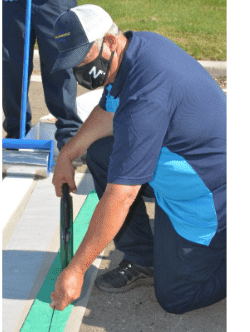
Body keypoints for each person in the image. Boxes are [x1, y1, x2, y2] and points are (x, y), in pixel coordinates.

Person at [47, 4, 226, 314]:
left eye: (83, 59)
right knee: (102, 153)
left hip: (208, 197)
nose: (79, 71)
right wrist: (68, 153)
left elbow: (122, 196)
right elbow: (106, 113)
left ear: (110, 42)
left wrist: (76, 270)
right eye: (72, 62)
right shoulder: (137, 49)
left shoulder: (145, 96)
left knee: (176, 297)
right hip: (182, 173)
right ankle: (143, 258)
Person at [3, 0, 82, 148]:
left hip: (55, 4)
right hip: (14, 4)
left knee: (60, 64)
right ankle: (15, 133)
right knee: (11, 66)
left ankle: (69, 138)